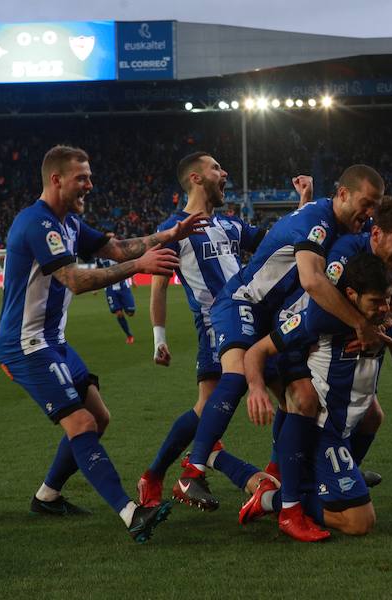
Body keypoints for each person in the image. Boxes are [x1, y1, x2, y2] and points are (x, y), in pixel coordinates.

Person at [0, 145, 206, 542]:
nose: (90, 185)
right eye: (82, 178)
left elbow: (115, 248)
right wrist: (138, 267)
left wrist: (169, 234)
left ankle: (47, 496)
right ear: (56, 179)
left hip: (53, 341)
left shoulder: (71, 222)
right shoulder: (37, 224)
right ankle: (131, 513)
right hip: (26, 345)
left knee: (100, 417)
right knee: (81, 422)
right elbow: (76, 280)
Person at [173, 165, 389, 536]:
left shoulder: (335, 222)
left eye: (374, 208)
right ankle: (193, 468)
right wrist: (359, 323)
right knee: (240, 376)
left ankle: (304, 479)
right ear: (342, 194)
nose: (368, 213)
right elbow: (311, 278)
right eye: (365, 204)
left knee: (300, 401)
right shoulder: (321, 221)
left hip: (275, 316)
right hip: (245, 301)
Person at [239, 253, 392, 539]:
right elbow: (257, 351)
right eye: (375, 302)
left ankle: (333, 479)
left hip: (349, 422)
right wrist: (257, 389)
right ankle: (273, 500)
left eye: (387, 299)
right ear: (351, 295)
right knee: (360, 523)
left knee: (374, 415)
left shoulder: (383, 318)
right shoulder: (320, 320)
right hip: (324, 427)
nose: (384, 308)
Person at [137, 152, 308, 507]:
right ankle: (188, 471)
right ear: (196, 179)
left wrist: (303, 205)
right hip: (215, 322)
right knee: (262, 395)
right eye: (216, 167)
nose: (224, 172)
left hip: (252, 316)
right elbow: (158, 287)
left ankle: (161, 475)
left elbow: (276, 243)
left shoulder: (231, 225)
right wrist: (159, 338)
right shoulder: (175, 229)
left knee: (227, 405)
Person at [96, 257, 136, 343]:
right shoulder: (99, 257)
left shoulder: (118, 252)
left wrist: (133, 279)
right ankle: (129, 335)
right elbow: (97, 271)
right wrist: (95, 287)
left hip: (123, 286)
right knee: (119, 313)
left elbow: (129, 265)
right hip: (110, 288)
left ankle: (125, 305)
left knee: (130, 312)